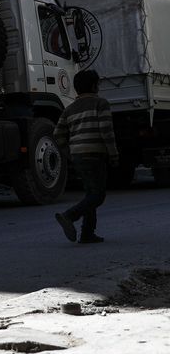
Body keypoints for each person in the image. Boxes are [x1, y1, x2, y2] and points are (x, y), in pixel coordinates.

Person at [54, 69, 118, 244]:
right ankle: (69, 216)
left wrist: (69, 152)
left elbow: (57, 134)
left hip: (78, 156)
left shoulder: (69, 109)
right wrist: (113, 154)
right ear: (94, 86)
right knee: (98, 196)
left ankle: (87, 233)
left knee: (90, 193)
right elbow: (106, 131)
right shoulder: (101, 103)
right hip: (95, 155)